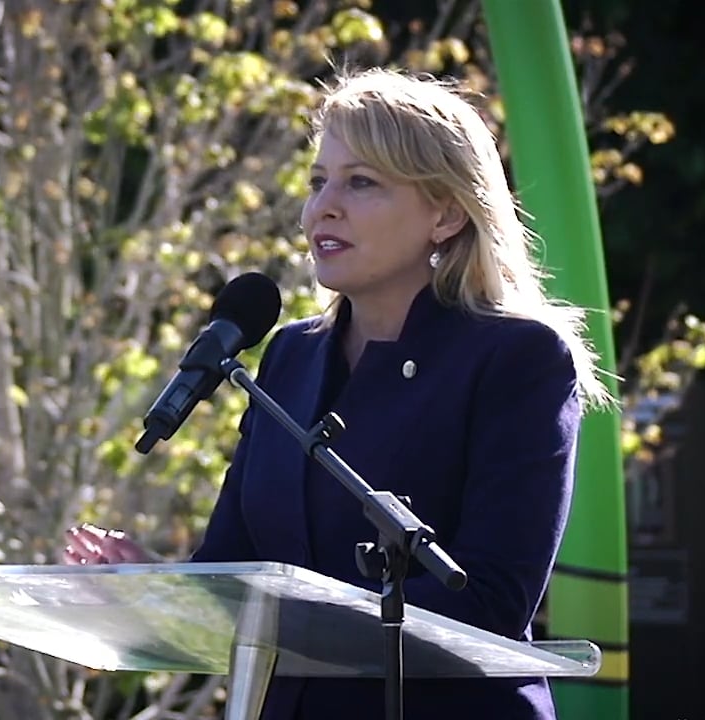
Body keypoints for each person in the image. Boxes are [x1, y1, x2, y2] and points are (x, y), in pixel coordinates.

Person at [64, 65, 614, 719]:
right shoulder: (290, 357)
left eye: (361, 183)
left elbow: (490, 602)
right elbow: (235, 569)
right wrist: (152, 585)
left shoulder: (516, 360)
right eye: (318, 181)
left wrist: (289, 615)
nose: (322, 206)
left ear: (444, 213)